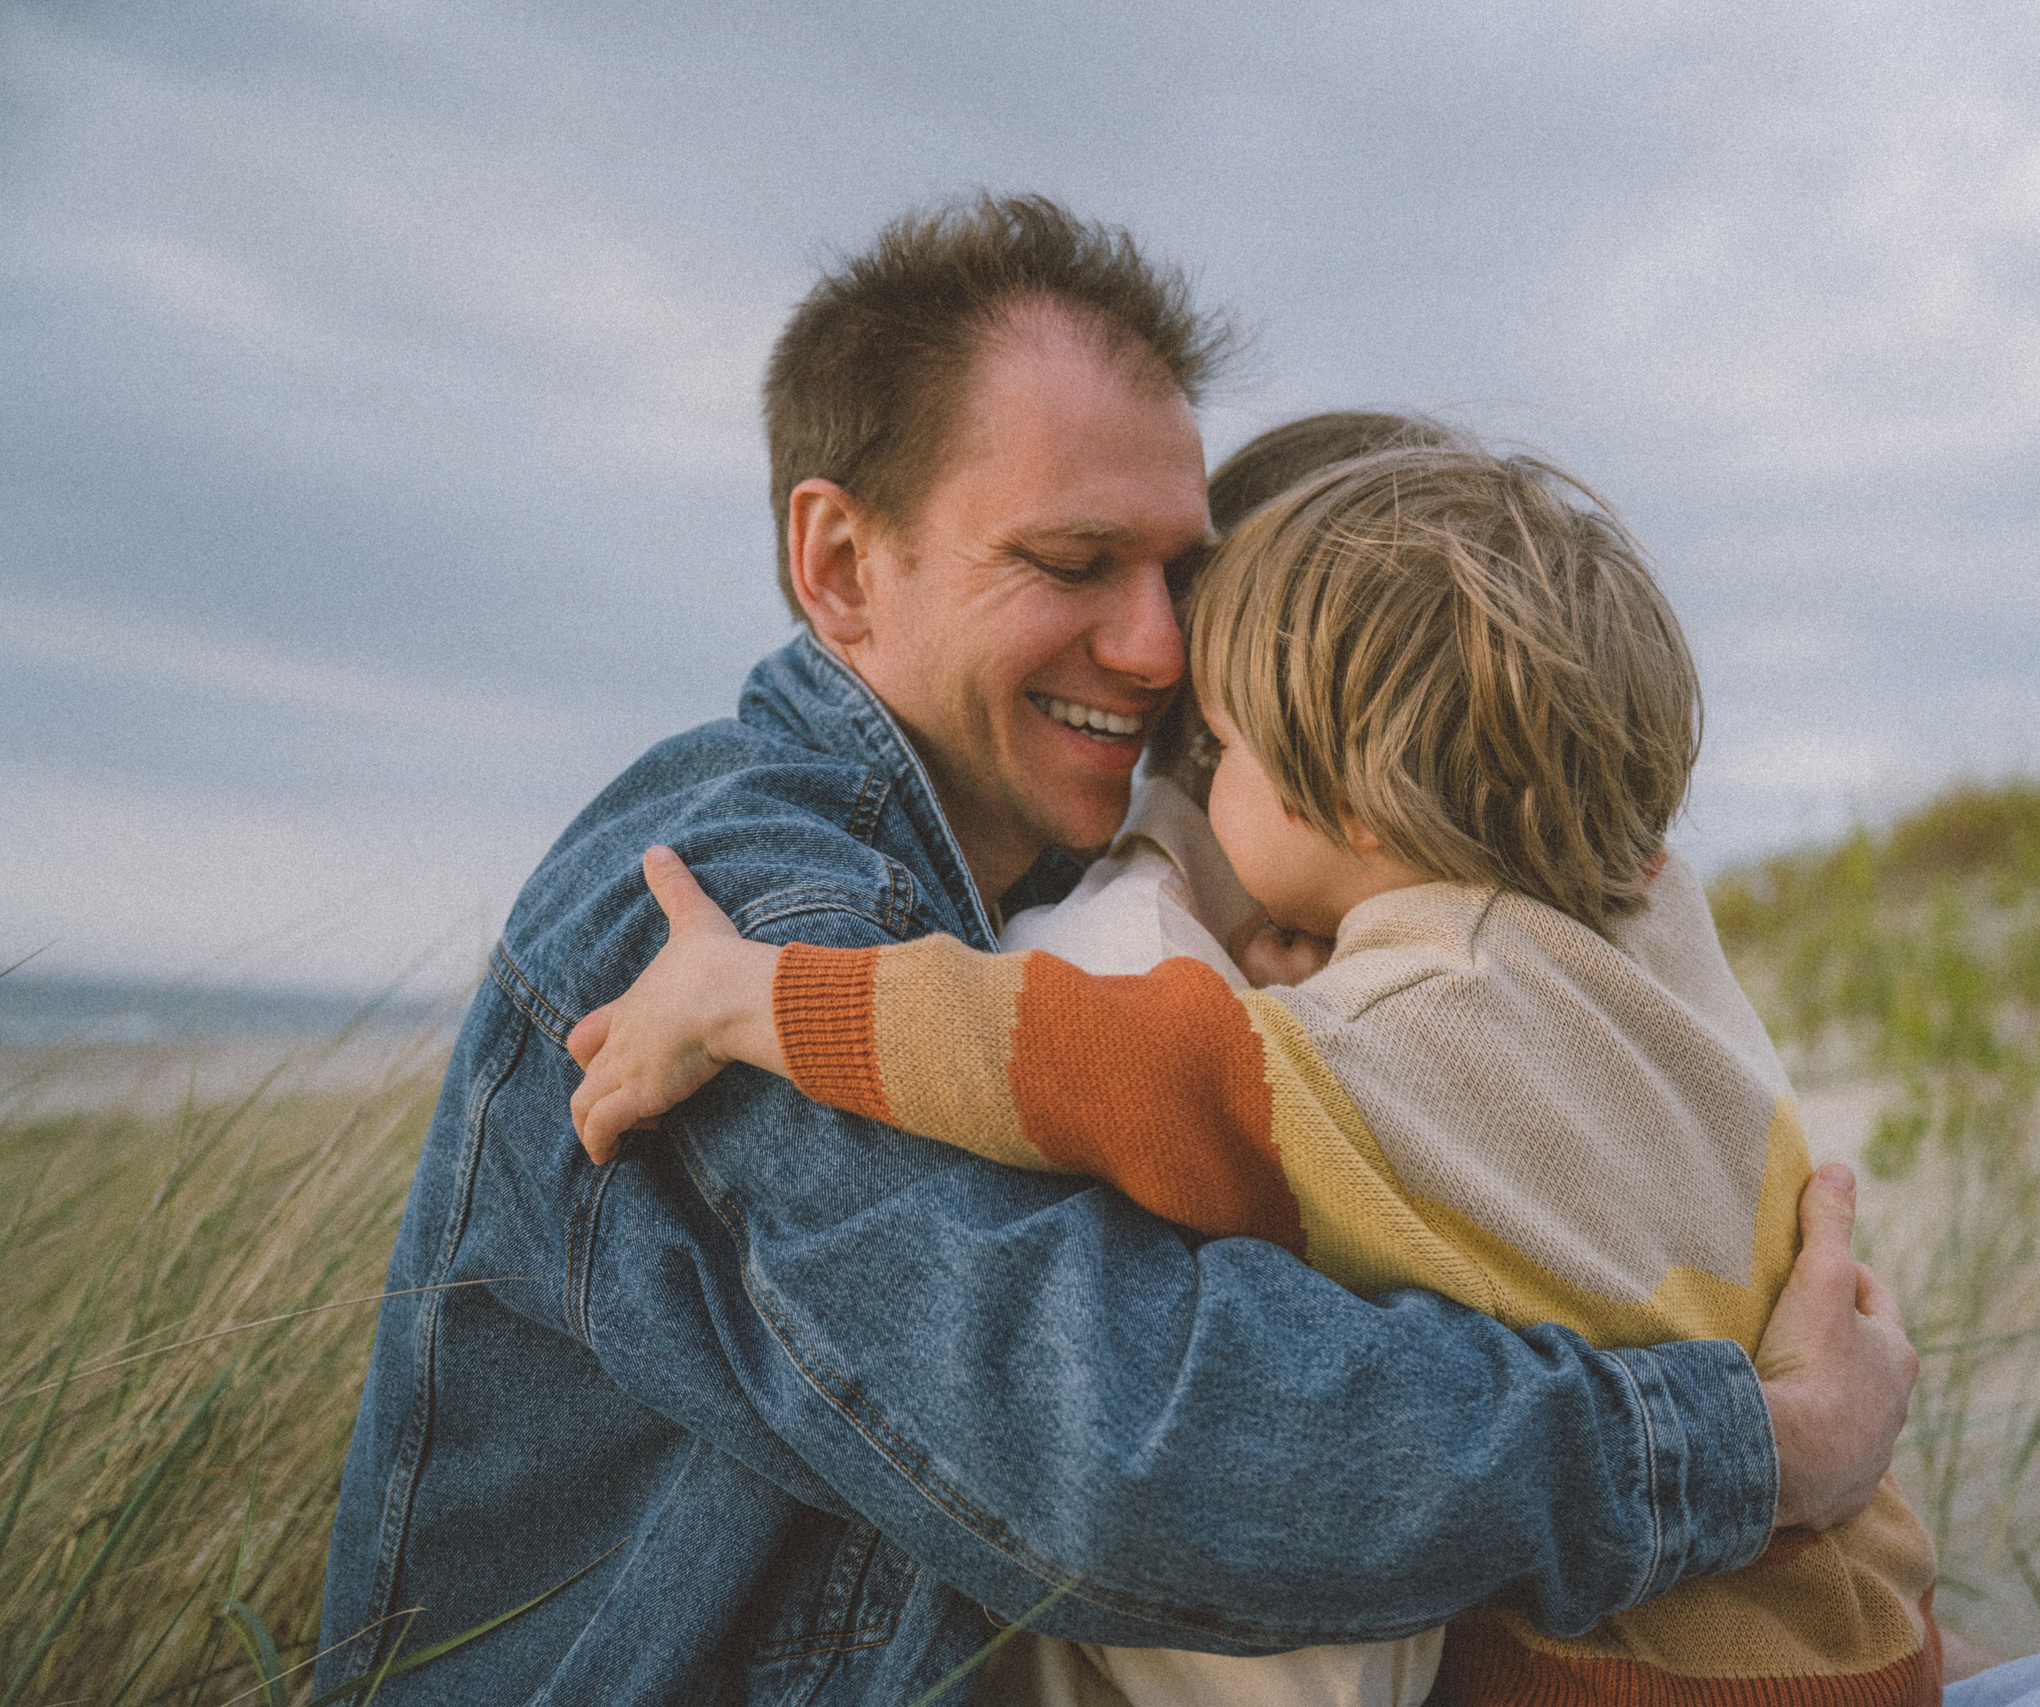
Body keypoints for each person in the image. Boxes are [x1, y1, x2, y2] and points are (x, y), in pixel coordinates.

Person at [315, 194, 1918, 1705]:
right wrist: (1756, 1453)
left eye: (1180, 574)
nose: (1158, 650)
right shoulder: (722, 914)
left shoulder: (1090, 884)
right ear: (841, 566)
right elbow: (1142, 1442)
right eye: (1074, 565)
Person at [566, 440, 1944, 1706]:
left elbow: (1066, 1060)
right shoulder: (1653, 931)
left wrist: (754, 998)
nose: (1191, 786)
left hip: (1659, 1681)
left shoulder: (1394, 1033)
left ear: (1346, 801)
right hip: (1877, 1628)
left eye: (1218, 752)